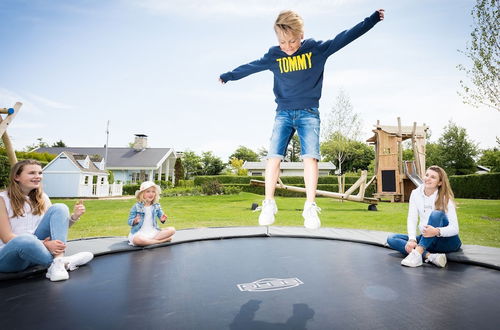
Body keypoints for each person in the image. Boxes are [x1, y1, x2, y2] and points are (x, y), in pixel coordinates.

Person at [219, 9, 385, 229]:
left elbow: (345, 37)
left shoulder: (315, 49)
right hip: (283, 113)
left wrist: (371, 20)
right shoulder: (273, 55)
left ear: (301, 35)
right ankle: (268, 203)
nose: (287, 46)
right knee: (273, 158)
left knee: (310, 158)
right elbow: (251, 67)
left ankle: (310, 206)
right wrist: (229, 75)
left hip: (309, 113)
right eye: (283, 42)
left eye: (292, 41)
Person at [0, 159, 94, 281]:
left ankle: (58, 262)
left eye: (40, 173)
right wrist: (44, 244)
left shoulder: (42, 198)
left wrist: (74, 217)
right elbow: (7, 237)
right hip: (11, 258)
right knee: (25, 239)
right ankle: (65, 262)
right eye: (32, 173)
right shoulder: (2, 199)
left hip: (36, 255)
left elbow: (56, 228)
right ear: (17, 176)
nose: (37, 176)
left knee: (60, 207)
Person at [387, 166, 462, 268]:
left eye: (433, 177)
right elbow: (412, 218)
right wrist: (412, 239)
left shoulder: (445, 198)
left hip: (447, 242)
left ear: (439, 182)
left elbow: (455, 228)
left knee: (436, 214)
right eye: (427, 175)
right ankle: (429, 256)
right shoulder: (415, 193)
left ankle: (418, 253)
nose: (428, 178)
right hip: (427, 241)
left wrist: (437, 231)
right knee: (392, 238)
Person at [127, 181, 175, 247]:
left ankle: (148, 241)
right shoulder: (136, 206)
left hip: (153, 232)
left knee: (172, 230)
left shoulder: (156, 206)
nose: (151, 194)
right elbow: (129, 221)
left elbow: (161, 216)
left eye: (153, 192)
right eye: (148, 191)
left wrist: (162, 219)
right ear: (142, 194)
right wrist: (135, 221)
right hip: (140, 233)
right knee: (137, 240)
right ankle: (161, 241)